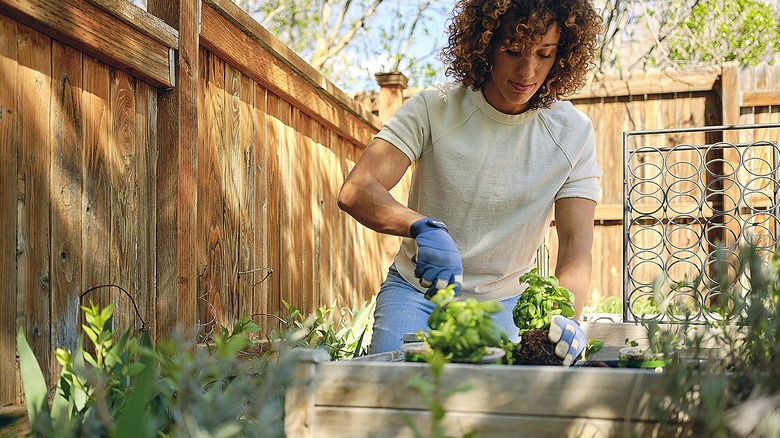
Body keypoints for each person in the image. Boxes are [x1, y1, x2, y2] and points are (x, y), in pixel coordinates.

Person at [338, 0, 603, 366]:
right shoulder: (435, 108)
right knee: (392, 403)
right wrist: (420, 227)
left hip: (504, 304)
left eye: (544, 54)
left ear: (562, 54)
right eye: (513, 51)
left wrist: (566, 316)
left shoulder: (573, 134)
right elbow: (357, 189)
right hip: (416, 293)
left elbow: (576, 241)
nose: (528, 70)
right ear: (485, 43)